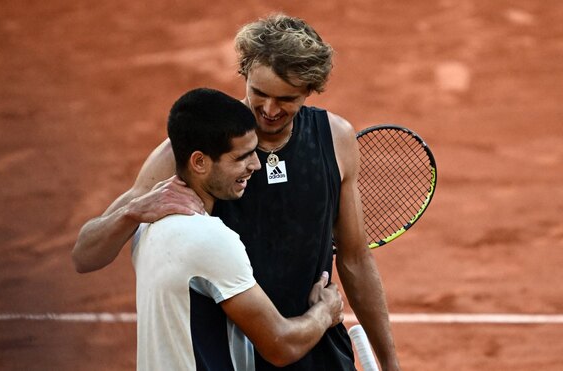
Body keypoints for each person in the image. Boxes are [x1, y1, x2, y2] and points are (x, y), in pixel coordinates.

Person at [72, 14, 400, 371]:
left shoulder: (335, 140)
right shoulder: (193, 151)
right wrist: (131, 210)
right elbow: (85, 256)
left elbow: (354, 259)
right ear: (243, 74)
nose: (270, 110)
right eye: (259, 93)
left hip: (315, 345)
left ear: (310, 90)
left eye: (286, 98)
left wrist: (390, 364)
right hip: (234, 355)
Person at [132, 87, 344, 370]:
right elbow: (280, 344)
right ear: (199, 162)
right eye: (241, 157)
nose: (255, 165)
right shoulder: (212, 240)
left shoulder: (145, 225)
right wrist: (324, 312)